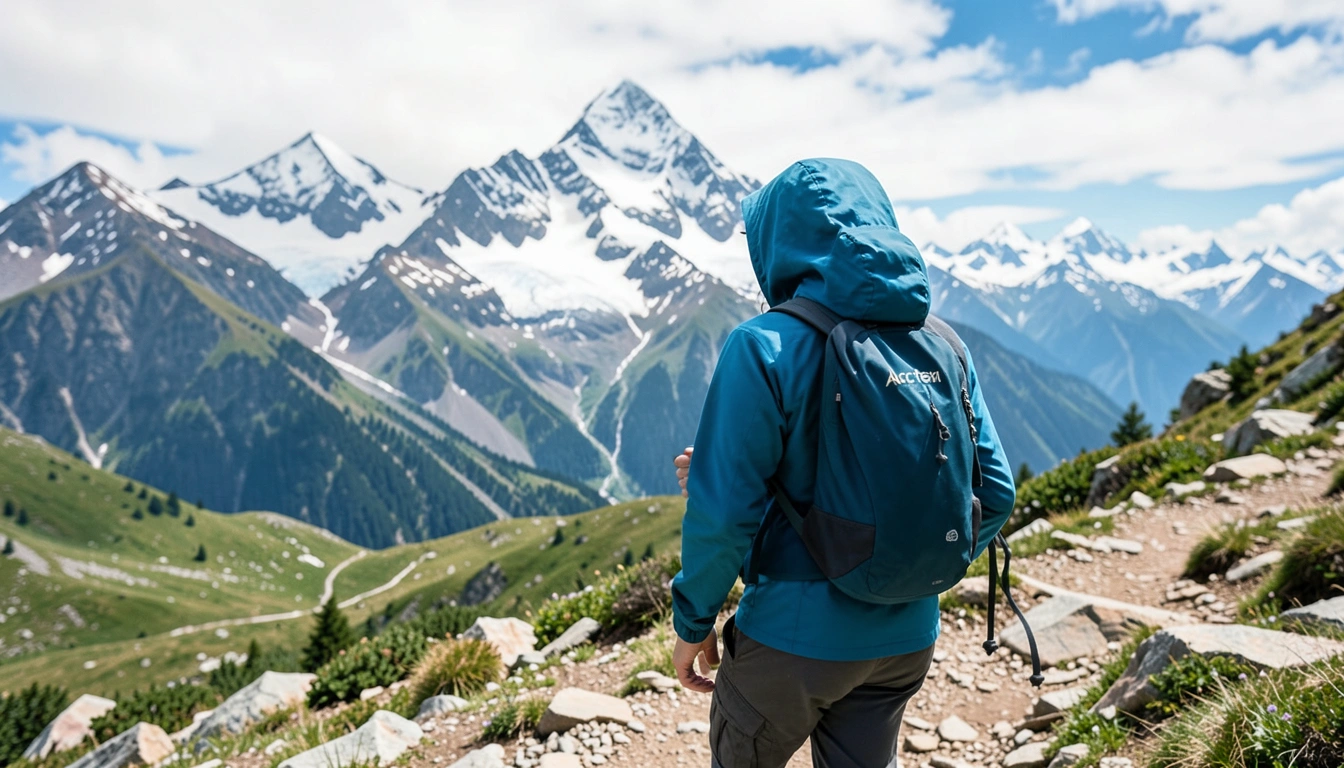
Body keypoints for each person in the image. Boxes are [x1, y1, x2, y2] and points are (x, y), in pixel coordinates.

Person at [669, 159, 1016, 768]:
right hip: (909, 637)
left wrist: (692, 623)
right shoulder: (943, 343)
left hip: (792, 635)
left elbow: (724, 517)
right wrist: (915, 563)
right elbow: (997, 490)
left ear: (780, 242)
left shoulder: (763, 344)